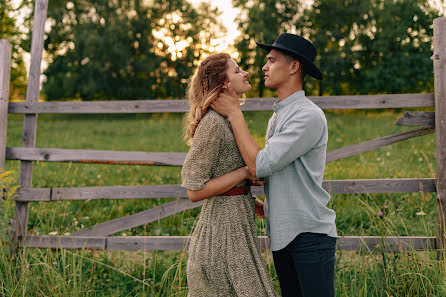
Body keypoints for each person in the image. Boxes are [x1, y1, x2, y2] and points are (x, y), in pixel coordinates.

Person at [210, 34, 337, 297]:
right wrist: (259, 203)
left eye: (271, 60)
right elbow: (279, 172)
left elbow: (260, 165)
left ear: (293, 67)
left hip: (309, 236)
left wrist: (234, 113)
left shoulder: (307, 115)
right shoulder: (278, 116)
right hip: (282, 236)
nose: (263, 67)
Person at [181, 53, 279, 297]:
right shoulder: (213, 123)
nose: (245, 73)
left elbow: (227, 180)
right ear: (224, 84)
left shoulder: (228, 120)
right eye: (237, 70)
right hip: (221, 235)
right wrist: (245, 172)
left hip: (236, 225)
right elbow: (194, 190)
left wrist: (253, 201)